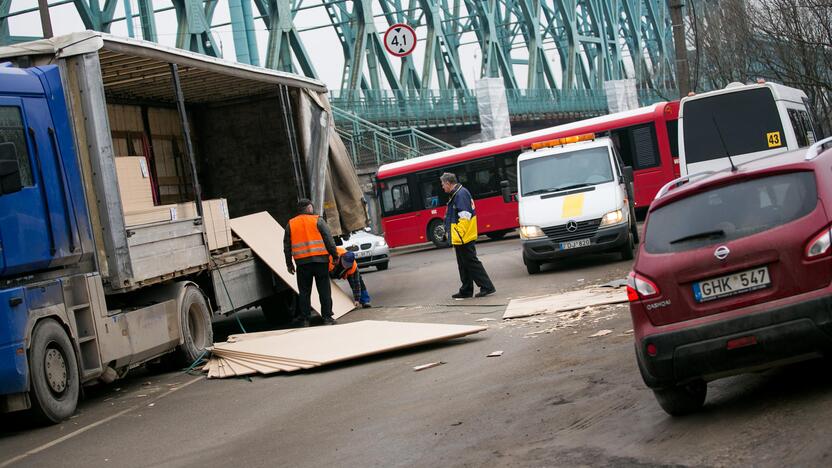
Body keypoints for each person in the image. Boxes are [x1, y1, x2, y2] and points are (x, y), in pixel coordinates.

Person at [284, 198, 340, 326]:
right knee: (324, 290)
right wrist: (335, 255)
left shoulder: (290, 224)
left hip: (302, 264)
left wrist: (289, 264)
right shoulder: (318, 220)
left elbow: (287, 246)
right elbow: (329, 240)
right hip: (320, 262)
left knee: (304, 292)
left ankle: (305, 319)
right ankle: (327, 318)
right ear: (309, 208)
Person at [440, 172, 496, 299]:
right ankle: (466, 289)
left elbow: (465, 216)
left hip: (464, 236)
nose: (442, 187)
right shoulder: (458, 193)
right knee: (464, 264)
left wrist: (459, 233)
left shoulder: (460, 194)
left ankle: (487, 286)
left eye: (443, 184)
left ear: (448, 183)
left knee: (471, 263)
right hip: (461, 236)